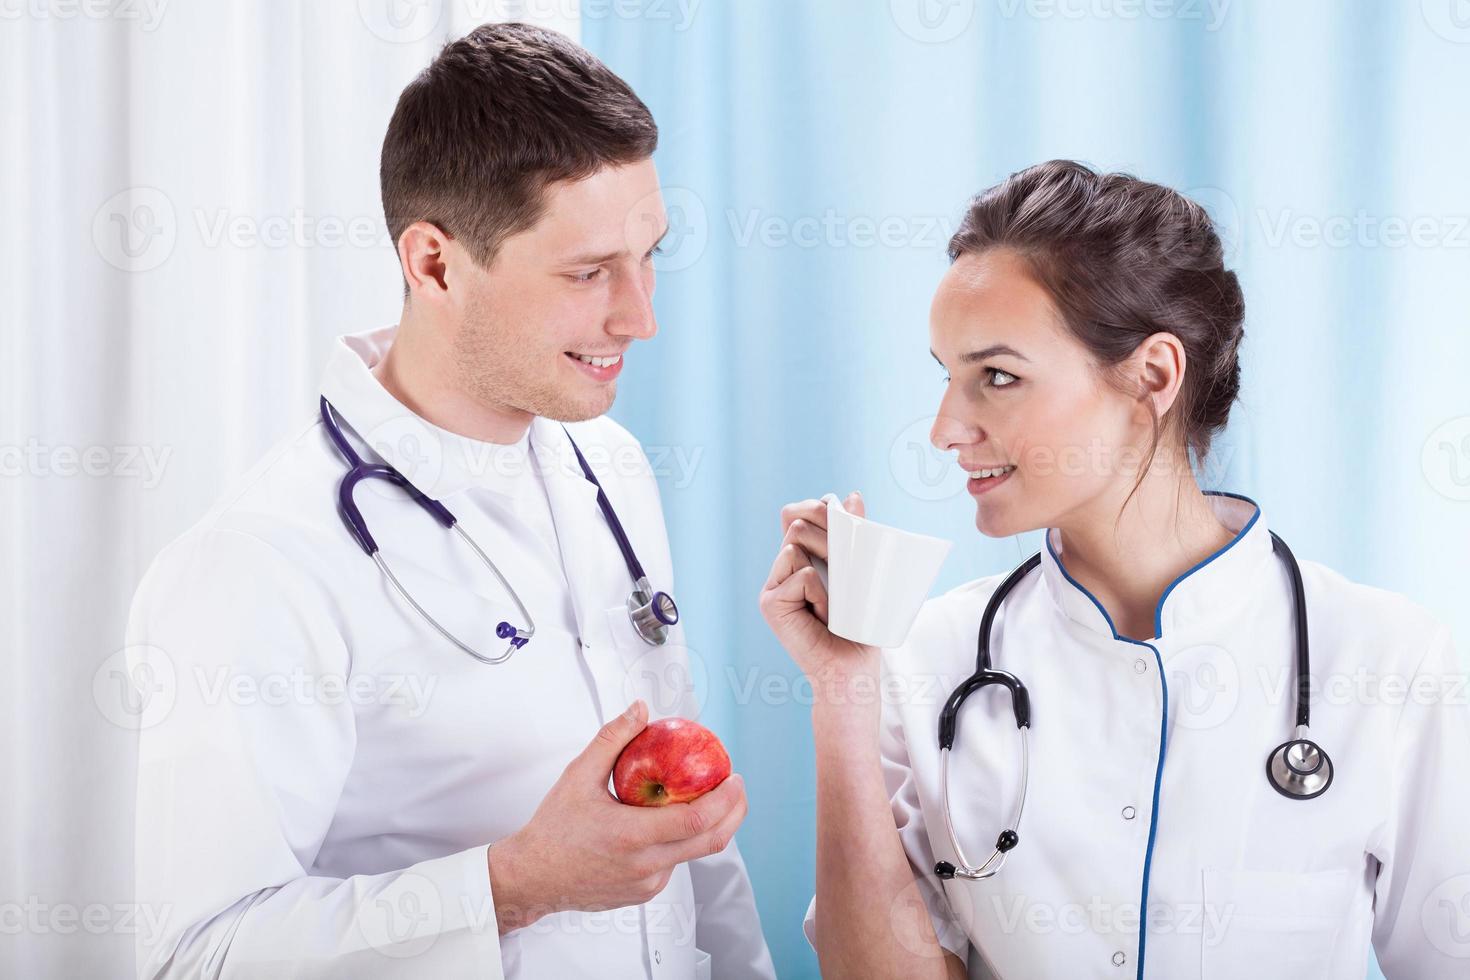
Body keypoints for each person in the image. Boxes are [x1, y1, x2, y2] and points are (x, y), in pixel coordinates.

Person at [127, 23, 774, 980]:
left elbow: (678, 846)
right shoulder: (262, 560)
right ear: (434, 264)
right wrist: (515, 883)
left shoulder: (612, 465)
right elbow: (201, 955)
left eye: (649, 258)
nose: (640, 316)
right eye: (587, 272)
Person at [759, 160, 1470, 979]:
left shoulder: (1384, 656)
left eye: (997, 376)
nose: (946, 429)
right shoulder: (930, 655)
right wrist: (844, 690)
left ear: (1153, 375)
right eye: (947, 378)